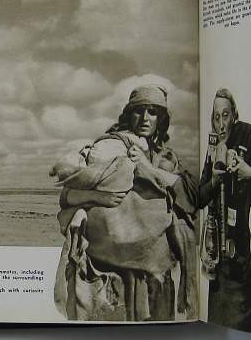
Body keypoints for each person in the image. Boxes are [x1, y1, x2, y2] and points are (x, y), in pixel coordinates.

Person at [53, 84, 198, 321]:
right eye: (138, 111)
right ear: (128, 114)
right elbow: (67, 196)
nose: (145, 118)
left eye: (153, 112)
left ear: (161, 118)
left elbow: (190, 200)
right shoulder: (110, 147)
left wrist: (145, 167)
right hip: (108, 272)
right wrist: (98, 197)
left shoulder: (167, 159)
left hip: (155, 273)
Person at [200, 88, 251, 282]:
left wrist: (249, 172)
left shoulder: (248, 134)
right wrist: (213, 180)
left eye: (226, 116)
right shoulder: (212, 149)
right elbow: (199, 198)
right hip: (215, 261)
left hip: (240, 257)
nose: (221, 125)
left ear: (234, 116)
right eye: (216, 118)